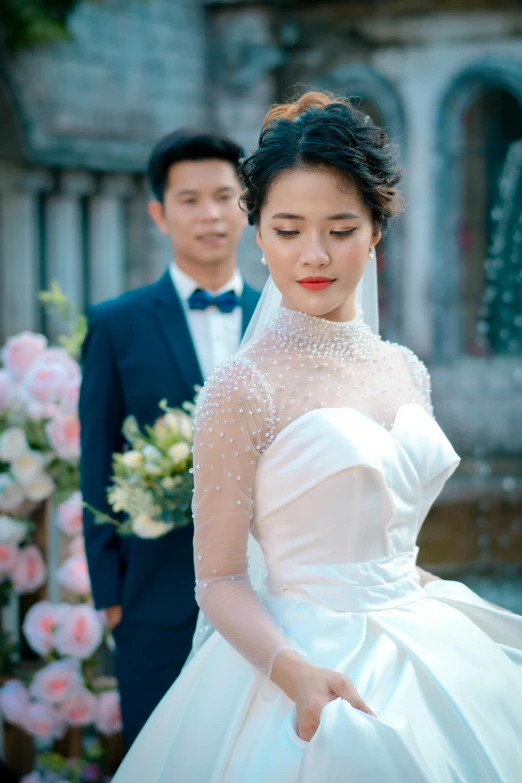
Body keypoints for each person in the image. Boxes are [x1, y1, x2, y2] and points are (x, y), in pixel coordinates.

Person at [113, 92, 522, 781]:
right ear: (261, 235)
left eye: (340, 228)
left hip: (416, 637)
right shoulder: (242, 387)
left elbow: (385, 544)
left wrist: (450, 602)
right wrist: (295, 672)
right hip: (299, 666)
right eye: (288, 228)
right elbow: (217, 579)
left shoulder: (406, 371)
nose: (315, 254)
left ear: (375, 231)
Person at [80, 128, 260, 748]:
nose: (209, 214)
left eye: (224, 195)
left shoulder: (285, 320)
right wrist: (113, 603)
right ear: (160, 212)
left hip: (271, 598)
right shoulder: (115, 325)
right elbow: (96, 464)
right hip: (154, 598)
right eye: (189, 199)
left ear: (248, 204)